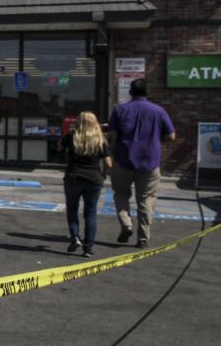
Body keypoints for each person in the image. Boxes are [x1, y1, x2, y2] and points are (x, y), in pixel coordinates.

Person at [107, 78, 176, 248]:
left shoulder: (120, 110)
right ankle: (143, 237)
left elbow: (112, 138)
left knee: (121, 194)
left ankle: (126, 224)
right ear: (147, 93)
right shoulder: (158, 111)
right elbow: (171, 136)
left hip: (123, 161)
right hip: (150, 162)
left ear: (130, 92)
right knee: (146, 199)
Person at [61, 112, 112, 257]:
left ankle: (75, 237)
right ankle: (88, 248)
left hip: (73, 177)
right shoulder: (100, 140)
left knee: (72, 209)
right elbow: (108, 163)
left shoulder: (71, 137)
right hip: (93, 179)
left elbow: (60, 147)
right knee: (90, 213)